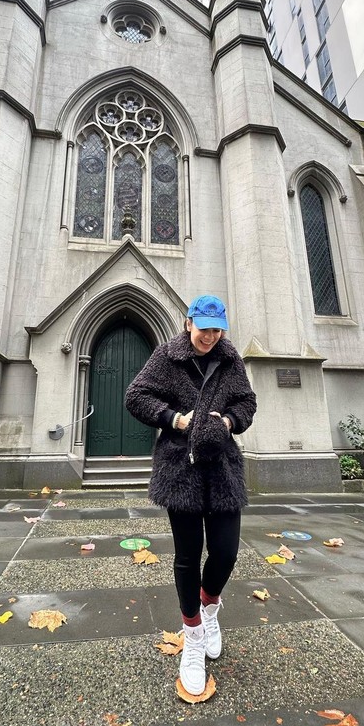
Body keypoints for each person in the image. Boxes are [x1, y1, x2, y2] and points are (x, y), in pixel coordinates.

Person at [124, 295, 257, 695]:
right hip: (180, 468)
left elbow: (247, 402)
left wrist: (230, 420)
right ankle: (193, 637)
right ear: (188, 324)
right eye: (204, 329)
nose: (210, 337)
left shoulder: (231, 360)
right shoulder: (167, 357)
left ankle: (210, 606)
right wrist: (174, 419)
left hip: (221, 469)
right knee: (187, 555)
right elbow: (137, 396)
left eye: (217, 330)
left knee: (226, 551)